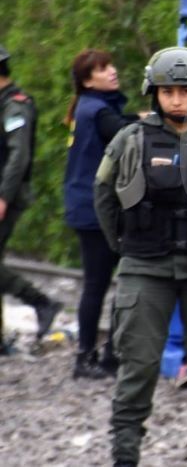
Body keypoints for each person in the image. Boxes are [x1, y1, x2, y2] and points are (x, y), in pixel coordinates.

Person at [94, 47, 187, 467]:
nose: (176, 99)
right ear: (153, 92)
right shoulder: (129, 140)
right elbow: (104, 195)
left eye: (185, 90)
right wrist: (126, 248)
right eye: (167, 91)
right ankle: (125, 459)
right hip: (145, 268)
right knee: (137, 371)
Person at [64, 48, 140, 379]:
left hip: (87, 204)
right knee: (104, 282)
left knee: (107, 281)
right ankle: (90, 357)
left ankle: (103, 354)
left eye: (111, 65)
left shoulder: (89, 106)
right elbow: (126, 135)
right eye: (102, 69)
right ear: (86, 80)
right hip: (97, 209)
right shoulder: (97, 110)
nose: (112, 71)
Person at [0, 43, 62, 344]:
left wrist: (3, 196)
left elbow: (18, 156)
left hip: (5, 196)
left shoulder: (15, 106)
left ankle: (41, 301)